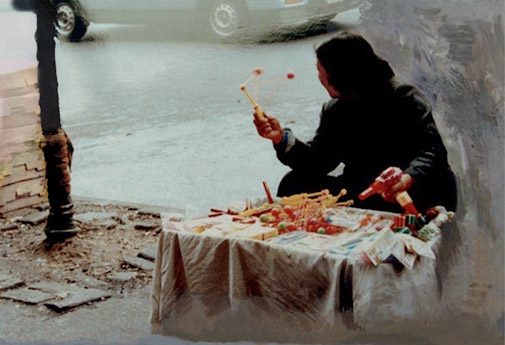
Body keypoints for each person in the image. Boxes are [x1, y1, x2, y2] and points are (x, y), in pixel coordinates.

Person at [252, 30, 457, 215]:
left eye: (321, 70)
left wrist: (406, 178)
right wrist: (280, 137)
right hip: (362, 188)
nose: (320, 77)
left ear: (343, 73)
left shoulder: (405, 98)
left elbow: (432, 150)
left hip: (410, 189)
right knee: (294, 184)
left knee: (412, 204)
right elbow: (320, 162)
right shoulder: (336, 109)